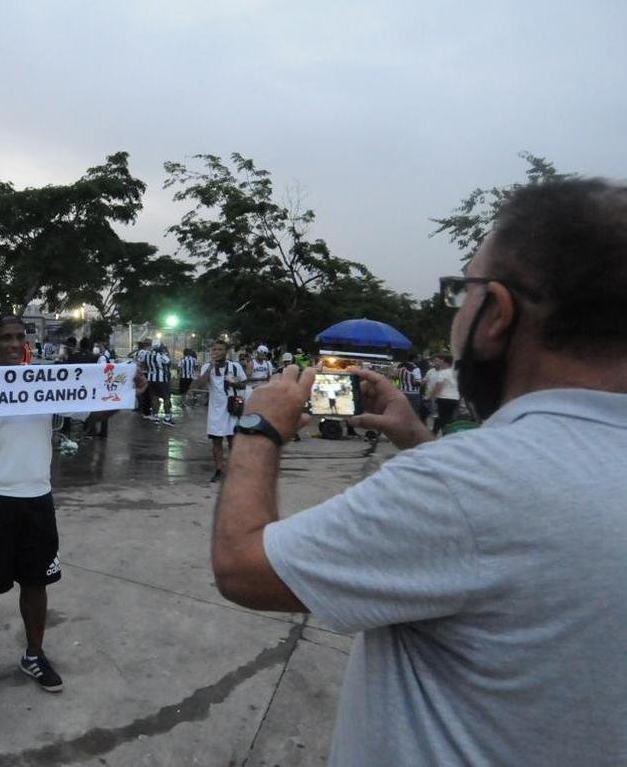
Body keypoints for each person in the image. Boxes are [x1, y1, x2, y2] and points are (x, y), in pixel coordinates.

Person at [210, 178, 627, 765]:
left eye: (465, 292)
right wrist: (418, 440)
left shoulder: (470, 481)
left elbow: (242, 568)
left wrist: (259, 429)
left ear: (498, 313)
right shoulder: (483, 479)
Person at [0, 314, 148, 703]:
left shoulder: (48, 383)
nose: (15, 344)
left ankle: (34, 655)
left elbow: (94, 412)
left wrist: (124, 393)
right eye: (6, 338)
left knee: (36, 584)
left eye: (20, 337)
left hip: (37, 497)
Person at [192, 341, 246, 481]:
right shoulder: (206, 366)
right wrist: (210, 366)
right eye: (214, 349)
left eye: (220, 349)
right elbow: (200, 384)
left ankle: (234, 470)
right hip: (215, 410)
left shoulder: (235, 366)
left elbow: (244, 384)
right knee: (216, 441)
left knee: (233, 440)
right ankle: (219, 470)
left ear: (226, 351)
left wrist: (234, 383)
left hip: (232, 408)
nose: (216, 352)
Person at [425, 353, 460, 433]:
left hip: (444, 398)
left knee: (441, 417)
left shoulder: (443, 373)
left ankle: (434, 433)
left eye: (442, 361)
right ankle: (447, 433)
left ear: (446, 362)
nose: (441, 363)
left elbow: (438, 387)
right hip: (455, 398)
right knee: (450, 418)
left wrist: (430, 396)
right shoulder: (456, 372)